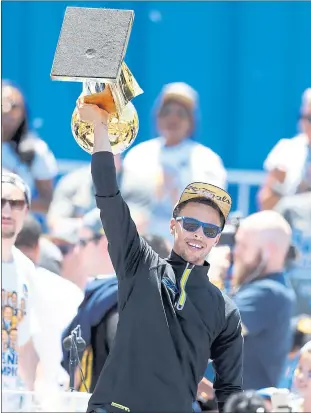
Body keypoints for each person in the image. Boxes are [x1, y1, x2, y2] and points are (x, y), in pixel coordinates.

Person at [77, 100, 243, 413]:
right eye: (191, 224)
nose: (198, 234)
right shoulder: (139, 264)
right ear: (173, 226)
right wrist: (100, 128)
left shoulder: (225, 311)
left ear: (217, 240)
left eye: (209, 230)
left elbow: (230, 390)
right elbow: (108, 198)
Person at [120, 82, 227, 241]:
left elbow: (213, 212)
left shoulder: (207, 160)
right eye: (166, 111)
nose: (173, 118)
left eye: (181, 113)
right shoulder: (138, 155)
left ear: (191, 122)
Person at [233, 211, 295, 390]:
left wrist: (210, 277)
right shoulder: (263, 288)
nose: (235, 252)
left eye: (243, 246)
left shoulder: (269, 293)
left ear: (269, 251)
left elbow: (212, 329)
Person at [2, 81, 58, 213]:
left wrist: (12, 204)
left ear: (23, 112)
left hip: (18, 226)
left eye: (14, 106)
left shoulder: (35, 150)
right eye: (2, 103)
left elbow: (48, 202)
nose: (6, 110)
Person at [258, 88, 311, 210]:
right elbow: (264, 205)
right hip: (290, 224)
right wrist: (277, 185)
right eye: (303, 117)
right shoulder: (286, 149)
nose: (306, 123)